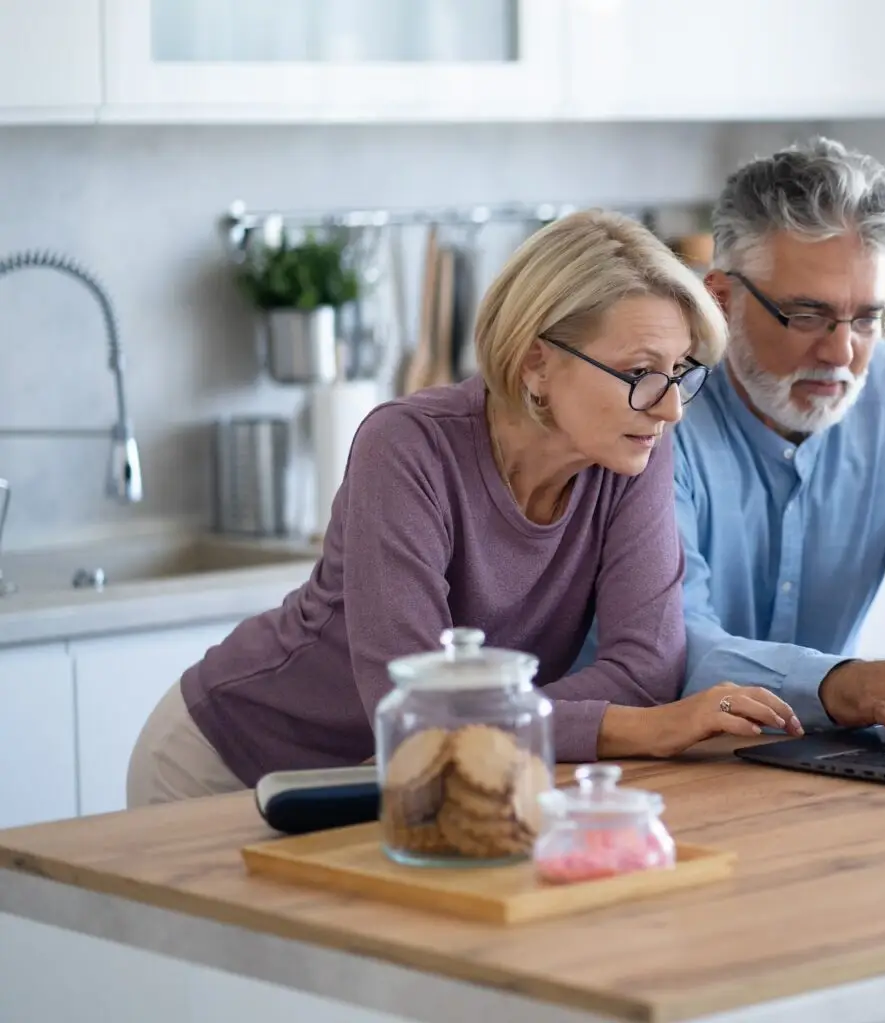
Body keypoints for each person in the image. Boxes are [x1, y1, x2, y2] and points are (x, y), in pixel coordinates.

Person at [126, 210, 801, 808]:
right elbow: (413, 708)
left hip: (415, 782)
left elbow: (646, 671)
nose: (670, 405)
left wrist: (470, 725)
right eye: (639, 372)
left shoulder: (636, 450)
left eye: (681, 370)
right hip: (235, 762)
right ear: (537, 362)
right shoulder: (408, 446)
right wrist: (631, 727)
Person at [674, 137, 885, 734]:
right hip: (665, 764)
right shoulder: (658, 410)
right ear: (720, 300)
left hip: (820, 762)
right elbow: (674, 645)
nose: (842, 351)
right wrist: (836, 684)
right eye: (806, 316)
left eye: (868, 318)